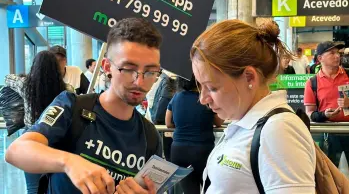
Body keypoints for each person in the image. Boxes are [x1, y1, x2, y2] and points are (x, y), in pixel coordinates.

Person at [5, 18, 163, 194]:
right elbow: (16, 150)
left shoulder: (150, 137)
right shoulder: (72, 106)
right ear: (107, 67)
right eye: (128, 69)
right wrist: (69, 162)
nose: (139, 81)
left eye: (150, 72)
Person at [191, 19, 316, 193]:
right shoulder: (245, 121)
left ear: (249, 77)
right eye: (200, 85)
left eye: (212, 88)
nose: (203, 99)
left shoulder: (279, 129)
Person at [4, 50, 73, 194]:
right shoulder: (65, 89)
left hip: (31, 140)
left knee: (33, 187)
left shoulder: (26, 85)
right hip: (57, 140)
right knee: (55, 184)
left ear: (35, 66)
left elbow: (8, 78)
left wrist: (26, 76)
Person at [165, 75, 223, 194]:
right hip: (202, 151)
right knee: (210, 189)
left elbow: (168, 123)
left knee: (190, 191)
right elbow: (218, 122)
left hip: (179, 151)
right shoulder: (206, 98)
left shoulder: (176, 97)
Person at [304, 41, 348, 167]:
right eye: (332, 53)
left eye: (338, 53)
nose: (337, 56)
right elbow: (310, 112)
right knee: (328, 173)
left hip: (348, 128)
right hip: (328, 133)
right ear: (320, 58)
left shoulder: (348, 75)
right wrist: (324, 115)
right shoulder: (312, 83)